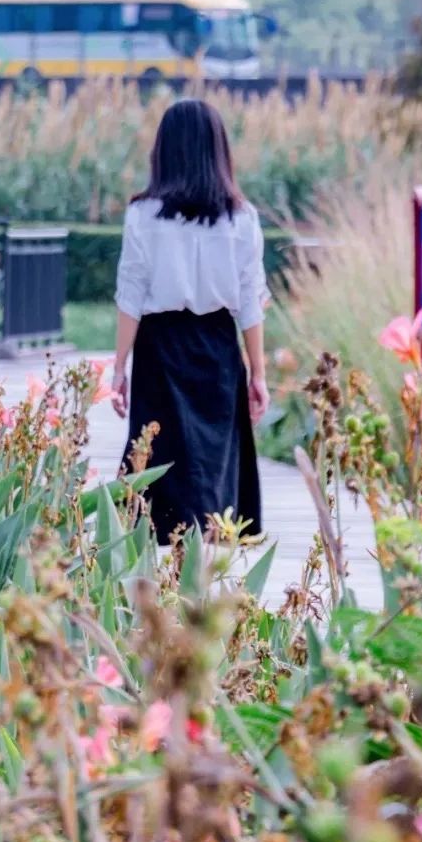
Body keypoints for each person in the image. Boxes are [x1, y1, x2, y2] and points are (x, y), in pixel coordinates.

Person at [112, 98, 269, 542]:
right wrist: (258, 373)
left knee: (158, 449)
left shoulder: (142, 215)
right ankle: (214, 541)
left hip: (159, 345)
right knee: (215, 452)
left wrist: (119, 365)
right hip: (217, 342)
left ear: (163, 150)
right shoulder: (242, 218)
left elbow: (131, 294)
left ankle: (160, 544)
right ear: (219, 151)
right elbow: (250, 302)